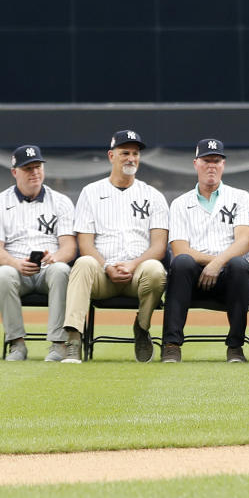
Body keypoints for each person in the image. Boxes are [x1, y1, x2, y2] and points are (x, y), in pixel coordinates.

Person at [62, 130, 168, 364]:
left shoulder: (153, 195)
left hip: (137, 274)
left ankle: (142, 328)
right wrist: (108, 266)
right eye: (124, 153)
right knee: (83, 262)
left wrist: (132, 264)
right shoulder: (91, 192)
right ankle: (73, 339)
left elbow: (159, 246)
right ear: (111, 156)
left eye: (135, 153)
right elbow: (85, 244)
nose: (131, 158)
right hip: (102, 274)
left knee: (155, 269)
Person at [163, 139, 249, 363]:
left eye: (216, 161)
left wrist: (219, 264)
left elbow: (244, 242)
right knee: (182, 262)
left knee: (239, 264)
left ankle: (236, 346)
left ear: (223, 164)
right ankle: (171, 344)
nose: (211, 166)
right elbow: (179, 248)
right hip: (192, 278)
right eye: (206, 160)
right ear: (196, 163)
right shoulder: (179, 203)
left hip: (230, 278)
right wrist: (213, 262)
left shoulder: (241, 197)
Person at [0, 145, 76, 362]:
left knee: (62, 270)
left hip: (49, 268)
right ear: (14, 172)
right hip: (16, 268)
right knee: (3, 274)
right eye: (28, 168)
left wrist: (56, 258)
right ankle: (17, 345)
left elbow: (69, 246)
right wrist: (16, 263)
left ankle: (58, 344)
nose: (34, 172)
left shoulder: (61, 201)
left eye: (38, 167)